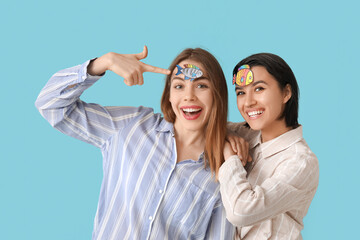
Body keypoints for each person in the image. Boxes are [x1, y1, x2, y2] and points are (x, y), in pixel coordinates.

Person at [35, 46, 234, 239]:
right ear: (169, 95)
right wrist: (104, 62)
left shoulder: (223, 175)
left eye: (201, 86)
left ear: (217, 94)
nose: (189, 96)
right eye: (179, 86)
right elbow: (50, 105)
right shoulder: (131, 126)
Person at [218, 53, 319, 239]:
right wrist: (225, 135)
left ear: (286, 93)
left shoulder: (300, 162)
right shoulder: (243, 134)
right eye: (241, 92)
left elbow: (240, 211)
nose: (248, 102)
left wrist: (229, 154)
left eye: (259, 89)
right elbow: (193, 127)